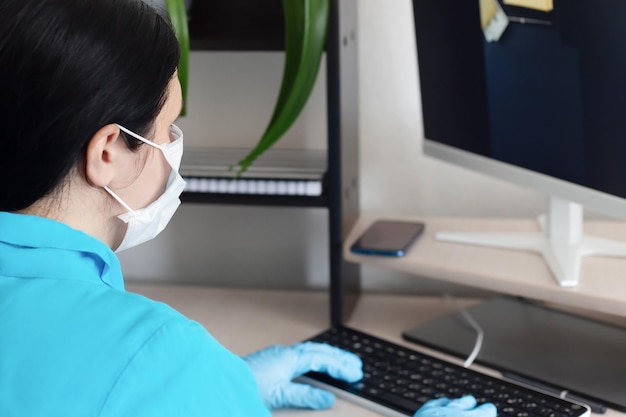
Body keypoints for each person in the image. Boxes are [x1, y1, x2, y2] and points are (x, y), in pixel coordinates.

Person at [0, 0, 497, 416]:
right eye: (167, 128)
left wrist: (219, 389)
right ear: (107, 152)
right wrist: (190, 383)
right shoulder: (158, 353)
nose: (174, 147)